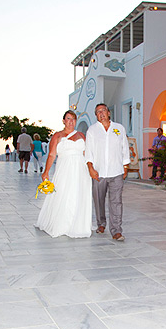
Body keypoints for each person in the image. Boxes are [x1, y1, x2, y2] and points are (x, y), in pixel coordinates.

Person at [35, 110, 92, 238]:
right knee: (65, 193)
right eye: (68, 118)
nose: (71, 121)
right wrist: (46, 172)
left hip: (81, 170)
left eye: (73, 119)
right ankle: (63, 223)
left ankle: (78, 224)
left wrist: (91, 168)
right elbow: (51, 154)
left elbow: (87, 153)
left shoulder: (81, 136)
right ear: (63, 121)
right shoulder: (58, 136)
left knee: (79, 194)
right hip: (65, 169)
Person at [85, 103, 130, 241]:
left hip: (116, 171)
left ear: (108, 112)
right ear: (96, 115)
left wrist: (125, 167)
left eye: (103, 110)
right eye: (98, 112)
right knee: (99, 200)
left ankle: (116, 231)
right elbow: (89, 151)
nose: (101, 113)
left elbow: (125, 148)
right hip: (99, 173)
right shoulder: (92, 130)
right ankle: (101, 223)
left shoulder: (119, 128)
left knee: (116, 202)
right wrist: (91, 168)